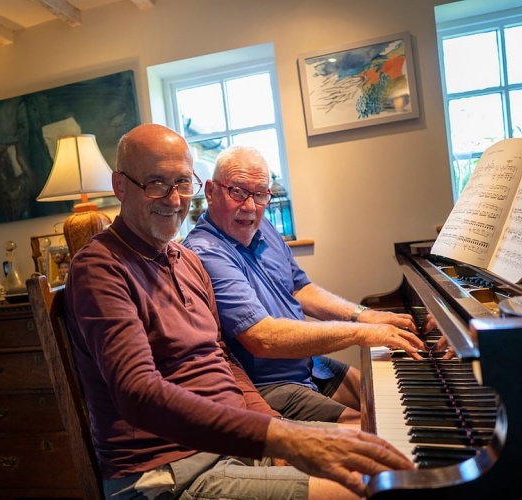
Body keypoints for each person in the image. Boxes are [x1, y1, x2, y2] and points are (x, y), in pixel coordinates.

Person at [63, 123, 415, 500]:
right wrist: (283, 436)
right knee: (376, 488)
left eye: (183, 183)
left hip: (235, 444)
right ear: (120, 186)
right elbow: (138, 394)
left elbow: (224, 359)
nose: (174, 199)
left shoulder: (185, 260)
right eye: (155, 183)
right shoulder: (99, 268)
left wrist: (274, 428)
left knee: (391, 451)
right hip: (169, 469)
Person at [183, 145, 434, 425]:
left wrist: (366, 315)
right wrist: (361, 333)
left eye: (260, 194)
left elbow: (301, 289)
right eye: (238, 192)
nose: (250, 207)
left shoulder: (260, 226)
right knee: (372, 431)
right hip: (270, 386)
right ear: (210, 191)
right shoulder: (206, 251)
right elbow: (262, 338)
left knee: (398, 399)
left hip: (308, 364)